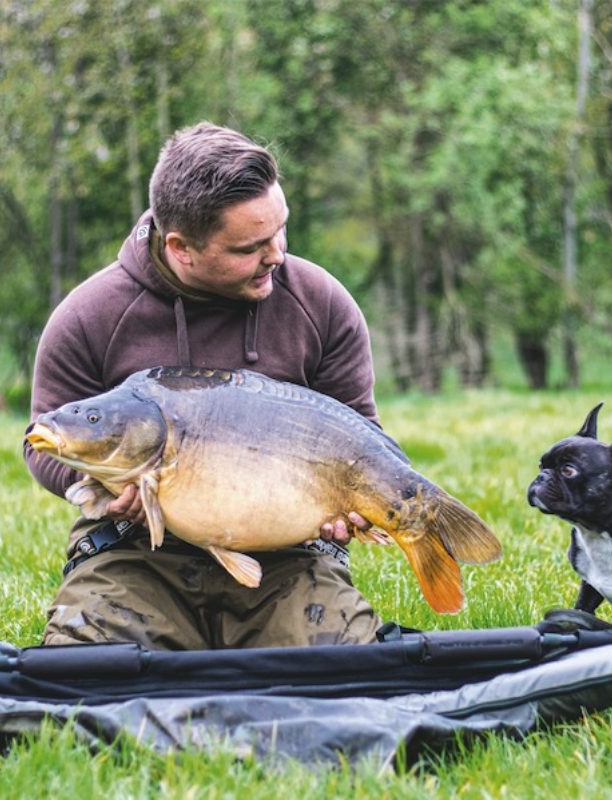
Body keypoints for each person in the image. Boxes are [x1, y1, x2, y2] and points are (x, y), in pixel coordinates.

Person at [24, 122, 381, 650]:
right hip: (135, 554)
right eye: (249, 247)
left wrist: (351, 508)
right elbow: (44, 439)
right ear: (180, 247)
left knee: (344, 671)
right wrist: (106, 489)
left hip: (287, 557)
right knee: (89, 675)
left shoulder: (321, 303)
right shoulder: (88, 317)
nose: (277, 254)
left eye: (280, 230)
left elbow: (361, 435)